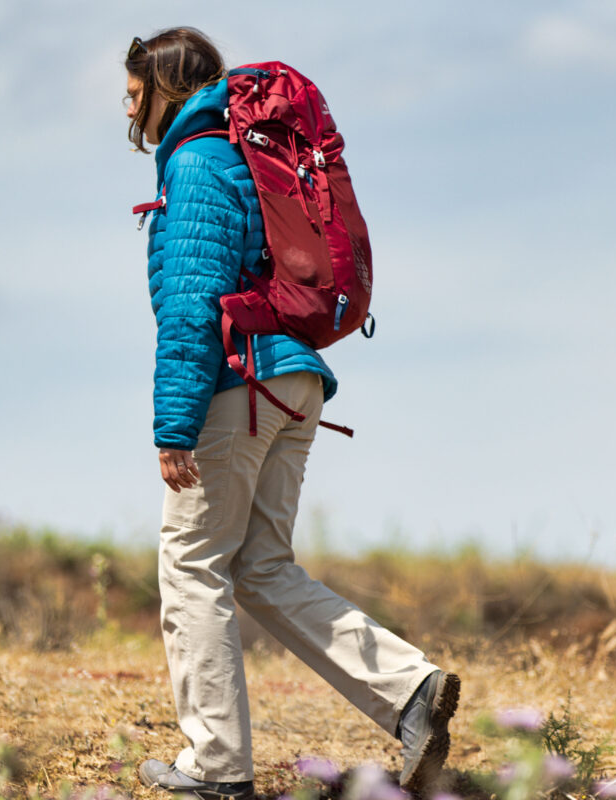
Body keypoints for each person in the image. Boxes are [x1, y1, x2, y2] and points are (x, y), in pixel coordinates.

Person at [122, 27, 458, 800]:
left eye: (136, 94)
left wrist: (174, 425)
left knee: (192, 564)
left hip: (244, 387)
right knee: (262, 566)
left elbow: (190, 304)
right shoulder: (245, 157)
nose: (131, 112)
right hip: (293, 383)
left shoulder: (197, 163)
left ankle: (213, 769)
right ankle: (412, 692)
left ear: (166, 88)